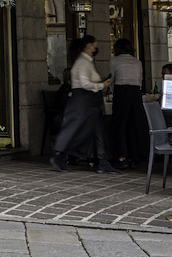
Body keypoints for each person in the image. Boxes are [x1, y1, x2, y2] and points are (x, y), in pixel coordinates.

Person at [50, 35, 120, 174]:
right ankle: (60, 156)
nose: (95, 48)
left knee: (98, 131)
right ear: (88, 46)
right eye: (94, 45)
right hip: (83, 100)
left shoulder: (86, 62)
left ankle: (103, 161)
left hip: (89, 101)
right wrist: (102, 85)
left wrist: (102, 81)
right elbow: (85, 84)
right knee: (78, 129)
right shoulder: (82, 62)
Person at [109, 39, 145, 169]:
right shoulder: (137, 61)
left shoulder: (114, 61)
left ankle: (121, 156)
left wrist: (114, 92)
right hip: (135, 92)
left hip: (122, 90)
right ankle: (134, 156)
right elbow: (139, 79)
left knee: (119, 124)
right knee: (133, 124)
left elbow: (112, 79)